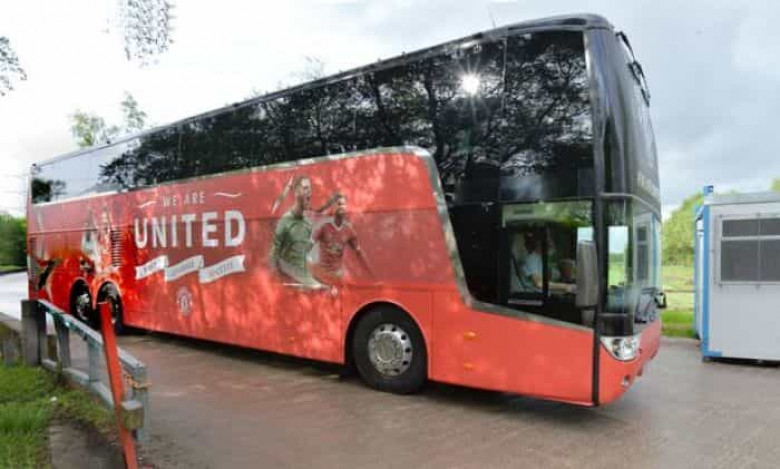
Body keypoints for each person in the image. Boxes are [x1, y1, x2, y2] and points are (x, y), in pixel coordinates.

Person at [310, 194, 374, 285]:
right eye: (339, 204)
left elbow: (359, 253)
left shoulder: (348, 229)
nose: (341, 207)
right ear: (333, 207)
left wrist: (371, 274)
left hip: (336, 276)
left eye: (343, 204)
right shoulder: (324, 227)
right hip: (322, 275)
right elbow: (308, 246)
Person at [270, 175, 320, 287]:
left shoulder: (308, 224)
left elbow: (303, 254)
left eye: (310, 189)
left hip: (302, 281)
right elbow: (274, 256)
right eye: (305, 188)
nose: (309, 192)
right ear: (296, 193)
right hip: (288, 281)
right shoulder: (285, 221)